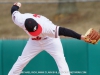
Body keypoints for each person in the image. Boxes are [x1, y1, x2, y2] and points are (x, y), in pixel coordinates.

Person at [8, 2, 87, 75]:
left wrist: (81, 37)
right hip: (34, 42)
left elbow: (64, 31)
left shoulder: (46, 27)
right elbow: (14, 11)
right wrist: (16, 5)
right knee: (21, 61)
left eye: (37, 29)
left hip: (50, 40)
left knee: (60, 60)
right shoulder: (19, 19)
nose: (37, 31)